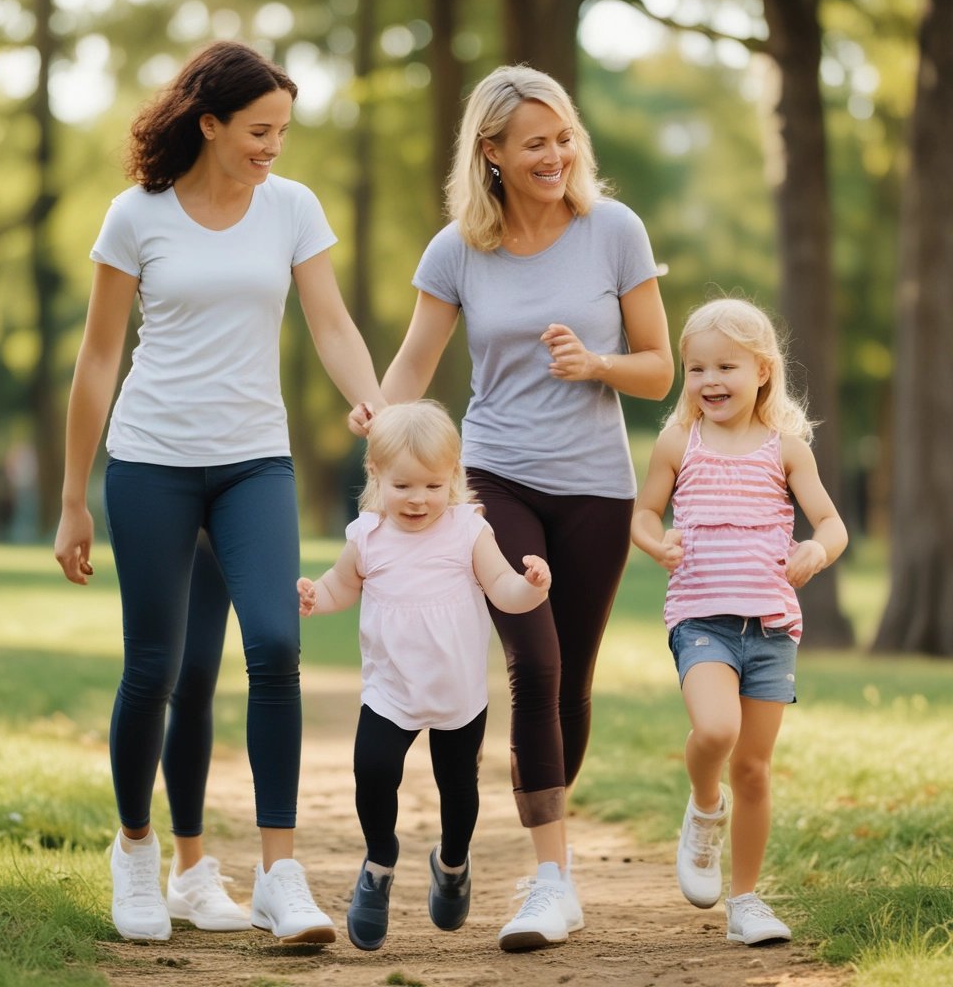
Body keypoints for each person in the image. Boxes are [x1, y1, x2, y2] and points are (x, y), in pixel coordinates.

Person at [53, 41, 386, 944]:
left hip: (252, 462)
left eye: (283, 130)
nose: (274, 146)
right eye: (258, 130)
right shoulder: (137, 216)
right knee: (165, 671)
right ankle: (143, 856)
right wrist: (73, 496)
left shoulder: (292, 209)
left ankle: (278, 874)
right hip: (153, 461)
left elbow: (330, 319)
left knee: (275, 644)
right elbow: (96, 358)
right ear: (209, 124)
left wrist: (377, 406)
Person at [361, 65, 674, 951]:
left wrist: (598, 365)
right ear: (490, 153)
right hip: (494, 475)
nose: (555, 155)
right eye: (534, 142)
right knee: (532, 666)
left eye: (563, 137)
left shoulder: (612, 231)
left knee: (569, 681)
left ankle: (535, 848)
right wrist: (381, 427)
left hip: (596, 488)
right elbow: (415, 364)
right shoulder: (458, 248)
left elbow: (660, 369)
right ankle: (552, 881)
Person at [296, 400, 552, 951]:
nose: (419, 500)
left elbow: (502, 586)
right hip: (390, 691)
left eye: (434, 486)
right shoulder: (367, 536)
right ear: (376, 476)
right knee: (373, 771)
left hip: (457, 695)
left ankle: (452, 863)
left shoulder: (467, 530)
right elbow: (344, 585)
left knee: (458, 792)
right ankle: (379, 864)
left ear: (453, 478)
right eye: (404, 485)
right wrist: (317, 596)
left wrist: (530, 588)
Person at [630, 298, 848, 945]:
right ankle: (703, 805)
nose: (709, 381)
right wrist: (655, 543)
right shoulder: (678, 443)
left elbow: (832, 523)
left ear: (762, 370)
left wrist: (816, 548)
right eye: (696, 368)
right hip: (701, 617)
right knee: (717, 729)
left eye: (726, 365)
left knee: (753, 767)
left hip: (772, 628)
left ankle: (746, 900)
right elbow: (643, 514)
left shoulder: (786, 449)